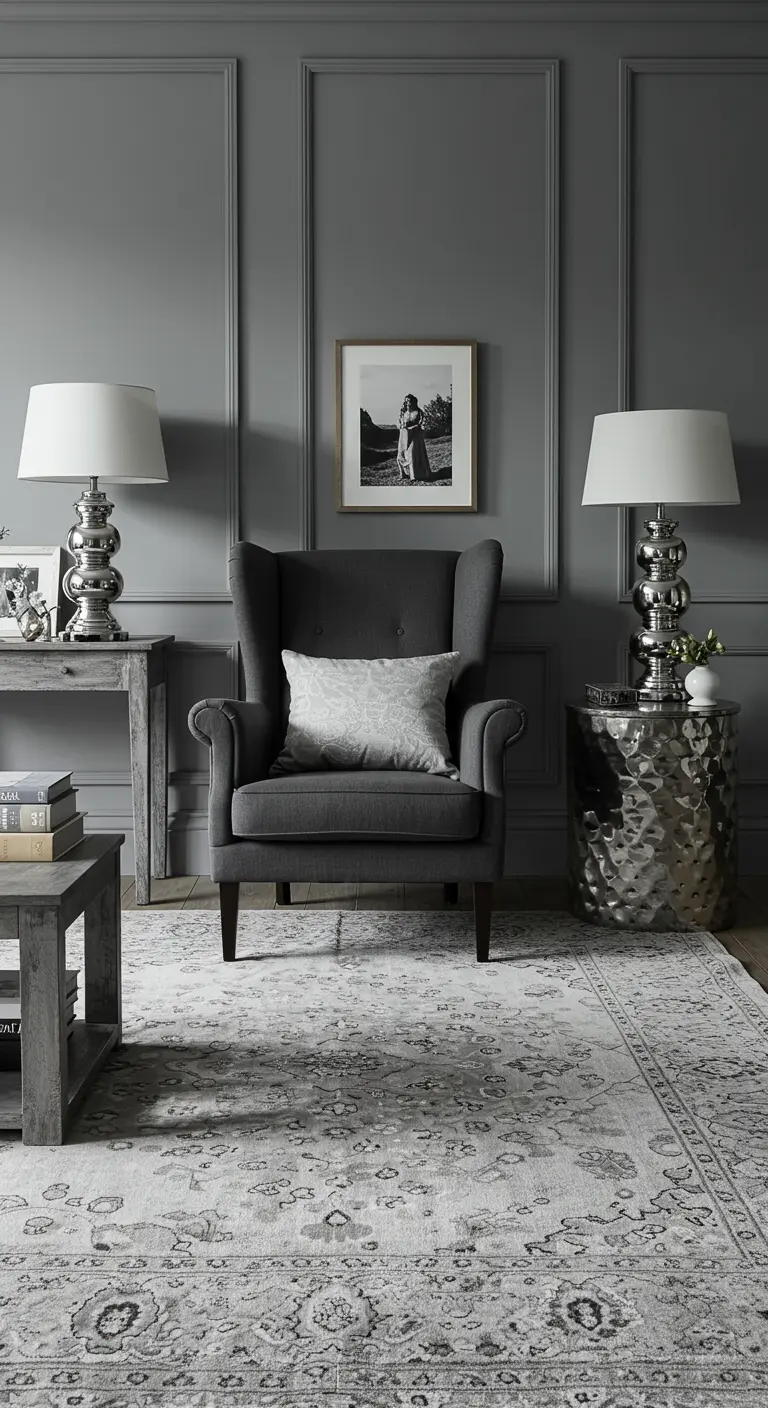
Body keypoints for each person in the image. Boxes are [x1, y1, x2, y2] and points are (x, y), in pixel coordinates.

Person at [396, 394, 431, 482]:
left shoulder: (419, 412)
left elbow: (422, 424)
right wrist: (402, 426)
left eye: (410, 401)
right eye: (406, 401)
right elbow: (400, 424)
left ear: (414, 402)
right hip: (404, 436)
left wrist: (415, 428)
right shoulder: (403, 413)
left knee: (412, 454)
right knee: (401, 455)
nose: (408, 403)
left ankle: (414, 475)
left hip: (415, 436)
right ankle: (403, 473)